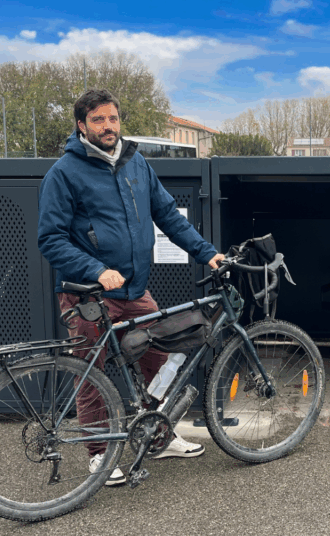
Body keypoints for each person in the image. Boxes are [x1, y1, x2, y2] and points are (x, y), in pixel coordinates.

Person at [38, 89, 224, 486]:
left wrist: (207, 253)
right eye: (99, 120)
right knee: (92, 372)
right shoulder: (64, 173)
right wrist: (96, 269)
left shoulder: (136, 163)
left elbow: (169, 216)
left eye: (113, 119)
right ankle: (100, 454)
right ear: (82, 125)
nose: (108, 127)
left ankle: (158, 434)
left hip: (133, 290)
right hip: (88, 294)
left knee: (160, 356)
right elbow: (50, 239)